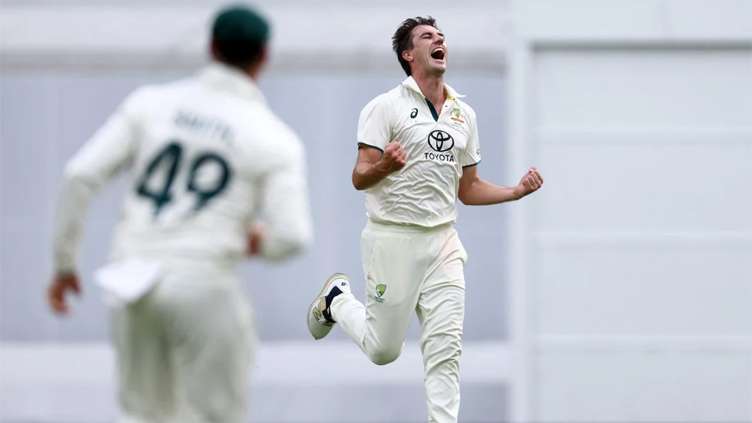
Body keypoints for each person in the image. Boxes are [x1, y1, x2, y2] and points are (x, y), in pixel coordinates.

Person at [47, 5, 312, 423]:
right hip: (203, 281)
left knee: (145, 415)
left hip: (131, 276)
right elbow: (292, 236)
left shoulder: (151, 103)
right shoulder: (273, 136)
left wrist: (64, 265)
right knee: (217, 416)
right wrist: (257, 241)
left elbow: (79, 175)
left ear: (210, 46)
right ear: (264, 56)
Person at [307, 16, 543, 422]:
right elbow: (359, 176)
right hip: (392, 239)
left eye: (441, 37)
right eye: (427, 37)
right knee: (383, 350)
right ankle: (336, 300)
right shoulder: (385, 107)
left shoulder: (462, 114)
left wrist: (515, 192)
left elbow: (467, 190)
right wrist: (385, 166)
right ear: (408, 54)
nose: (439, 41)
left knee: (446, 349)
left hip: (443, 243)